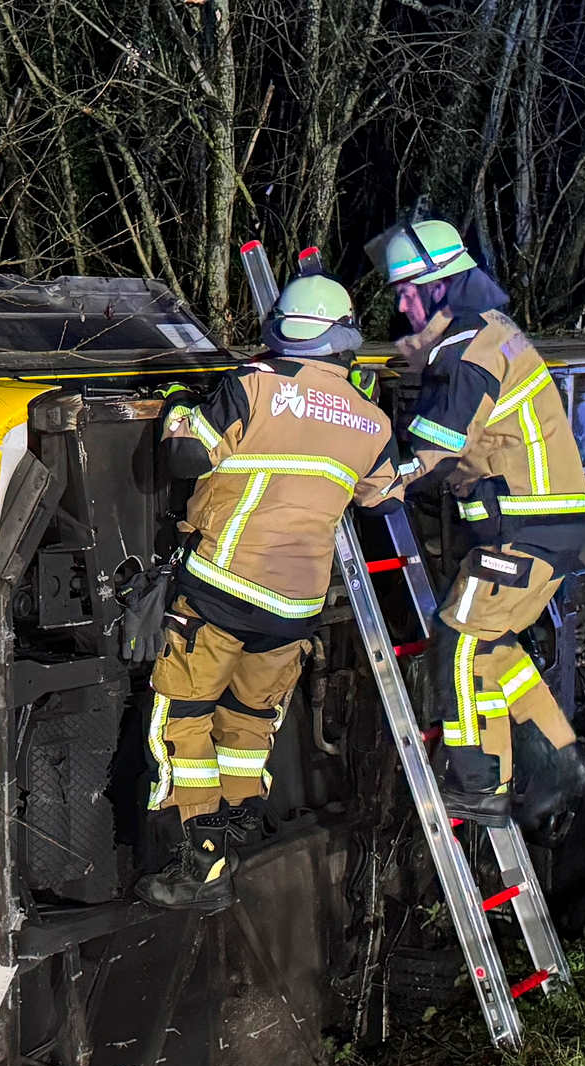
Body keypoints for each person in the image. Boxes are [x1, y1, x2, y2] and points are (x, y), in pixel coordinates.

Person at [137, 273, 400, 910]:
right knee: (251, 717)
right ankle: (237, 823)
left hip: (222, 589)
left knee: (184, 712)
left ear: (279, 329)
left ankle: (201, 864)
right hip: (296, 607)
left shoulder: (251, 388)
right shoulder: (372, 422)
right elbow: (382, 495)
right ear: (344, 342)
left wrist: (178, 403)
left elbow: (184, 457)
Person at [363, 216, 585, 825]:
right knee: (494, 647)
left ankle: (479, 784)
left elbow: (436, 445)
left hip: (526, 528)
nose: (401, 303)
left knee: (462, 640)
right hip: (535, 526)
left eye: (407, 290)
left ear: (442, 286)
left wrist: (375, 479)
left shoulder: (471, 353)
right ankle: (559, 764)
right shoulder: (487, 335)